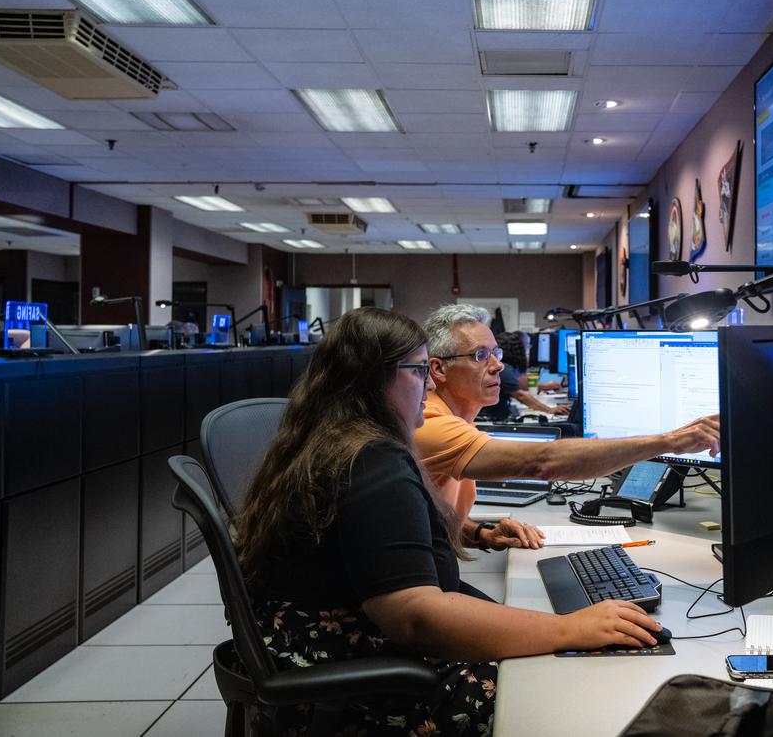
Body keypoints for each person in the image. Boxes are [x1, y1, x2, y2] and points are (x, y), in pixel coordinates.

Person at [234, 308, 662, 736]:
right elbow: (415, 616)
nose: (429, 384)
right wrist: (569, 629)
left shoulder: (338, 439)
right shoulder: (373, 459)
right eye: (419, 370)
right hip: (358, 670)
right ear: (374, 378)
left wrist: (475, 532)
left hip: (306, 644)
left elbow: (379, 532)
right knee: (557, 695)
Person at [416, 304, 720, 527]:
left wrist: (479, 534)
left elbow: (434, 522)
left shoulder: (454, 418)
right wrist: (669, 440)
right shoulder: (430, 423)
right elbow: (541, 463)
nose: (497, 366)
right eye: (480, 356)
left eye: (496, 353)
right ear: (438, 369)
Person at [476, 330, 570, 421]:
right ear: (517, 349)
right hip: (490, 418)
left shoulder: (503, 367)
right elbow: (521, 396)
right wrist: (550, 410)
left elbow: (519, 384)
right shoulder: (503, 368)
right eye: (527, 346)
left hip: (491, 415)